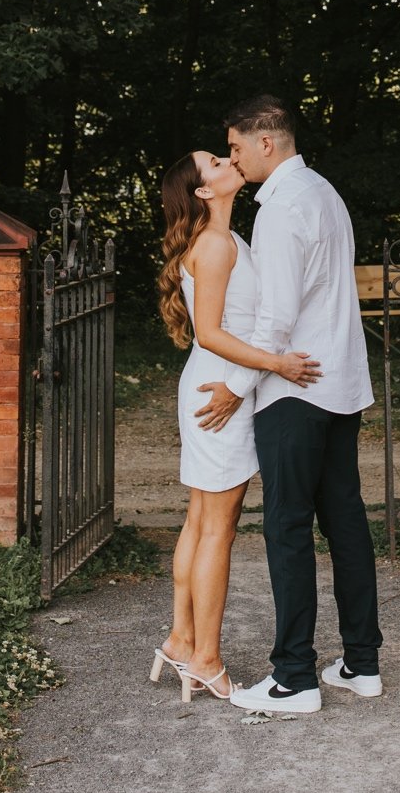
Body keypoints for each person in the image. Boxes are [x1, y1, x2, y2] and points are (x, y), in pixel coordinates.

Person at [192, 93, 383, 716]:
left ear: (265, 143)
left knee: (287, 529)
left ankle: (295, 677)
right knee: (346, 523)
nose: (236, 158)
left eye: (238, 147)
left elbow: (276, 319)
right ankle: (361, 664)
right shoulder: (324, 193)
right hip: (341, 383)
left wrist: (235, 388)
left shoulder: (278, 209)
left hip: (295, 389)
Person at [151, 148, 321, 702]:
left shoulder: (220, 238)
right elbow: (209, 333)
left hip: (213, 384)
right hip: (218, 388)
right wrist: (277, 364)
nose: (230, 160)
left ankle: (181, 639)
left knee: (201, 520)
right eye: (216, 162)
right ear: (204, 191)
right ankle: (206, 658)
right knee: (218, 528)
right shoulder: (217, 245)